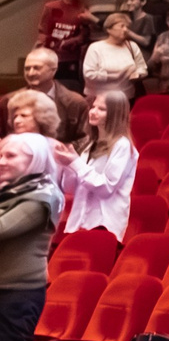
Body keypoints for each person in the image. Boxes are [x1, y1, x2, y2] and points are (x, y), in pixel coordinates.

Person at [0, 133, 60, 341]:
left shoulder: (41, 197)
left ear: (33, 161)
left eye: (11, 156)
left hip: (17, 298)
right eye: (0, 154)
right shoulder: (7, 193)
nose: (1, 161)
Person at [56, 91, 135, 240]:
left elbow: (106, 188)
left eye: (101, 109)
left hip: (103, 224)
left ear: (115, 114)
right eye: (93, 107)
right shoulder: (90, 145)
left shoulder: (122, 145)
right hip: (79, 223)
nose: (93, 112)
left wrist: (74, 162)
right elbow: (71, 188)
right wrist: (64, 163)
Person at [33, 0, 92, 92]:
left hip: (70, 59)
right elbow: (43, 31)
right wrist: (39, 51)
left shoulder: (83, 9)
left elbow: (84, 36)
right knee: (47, 89)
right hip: (49, 57)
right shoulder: (51, 7)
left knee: (67, 91)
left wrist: (70, 42)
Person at [80, 13, 145, 99]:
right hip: (100, 99)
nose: (126, 30)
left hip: (126, 98)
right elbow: (89, 75)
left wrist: (138, 74)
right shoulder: (95, 48)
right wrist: (116, 75)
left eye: (127, 27)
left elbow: (142, 67)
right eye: (122, 26)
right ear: (109, 29)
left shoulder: (132, 46)